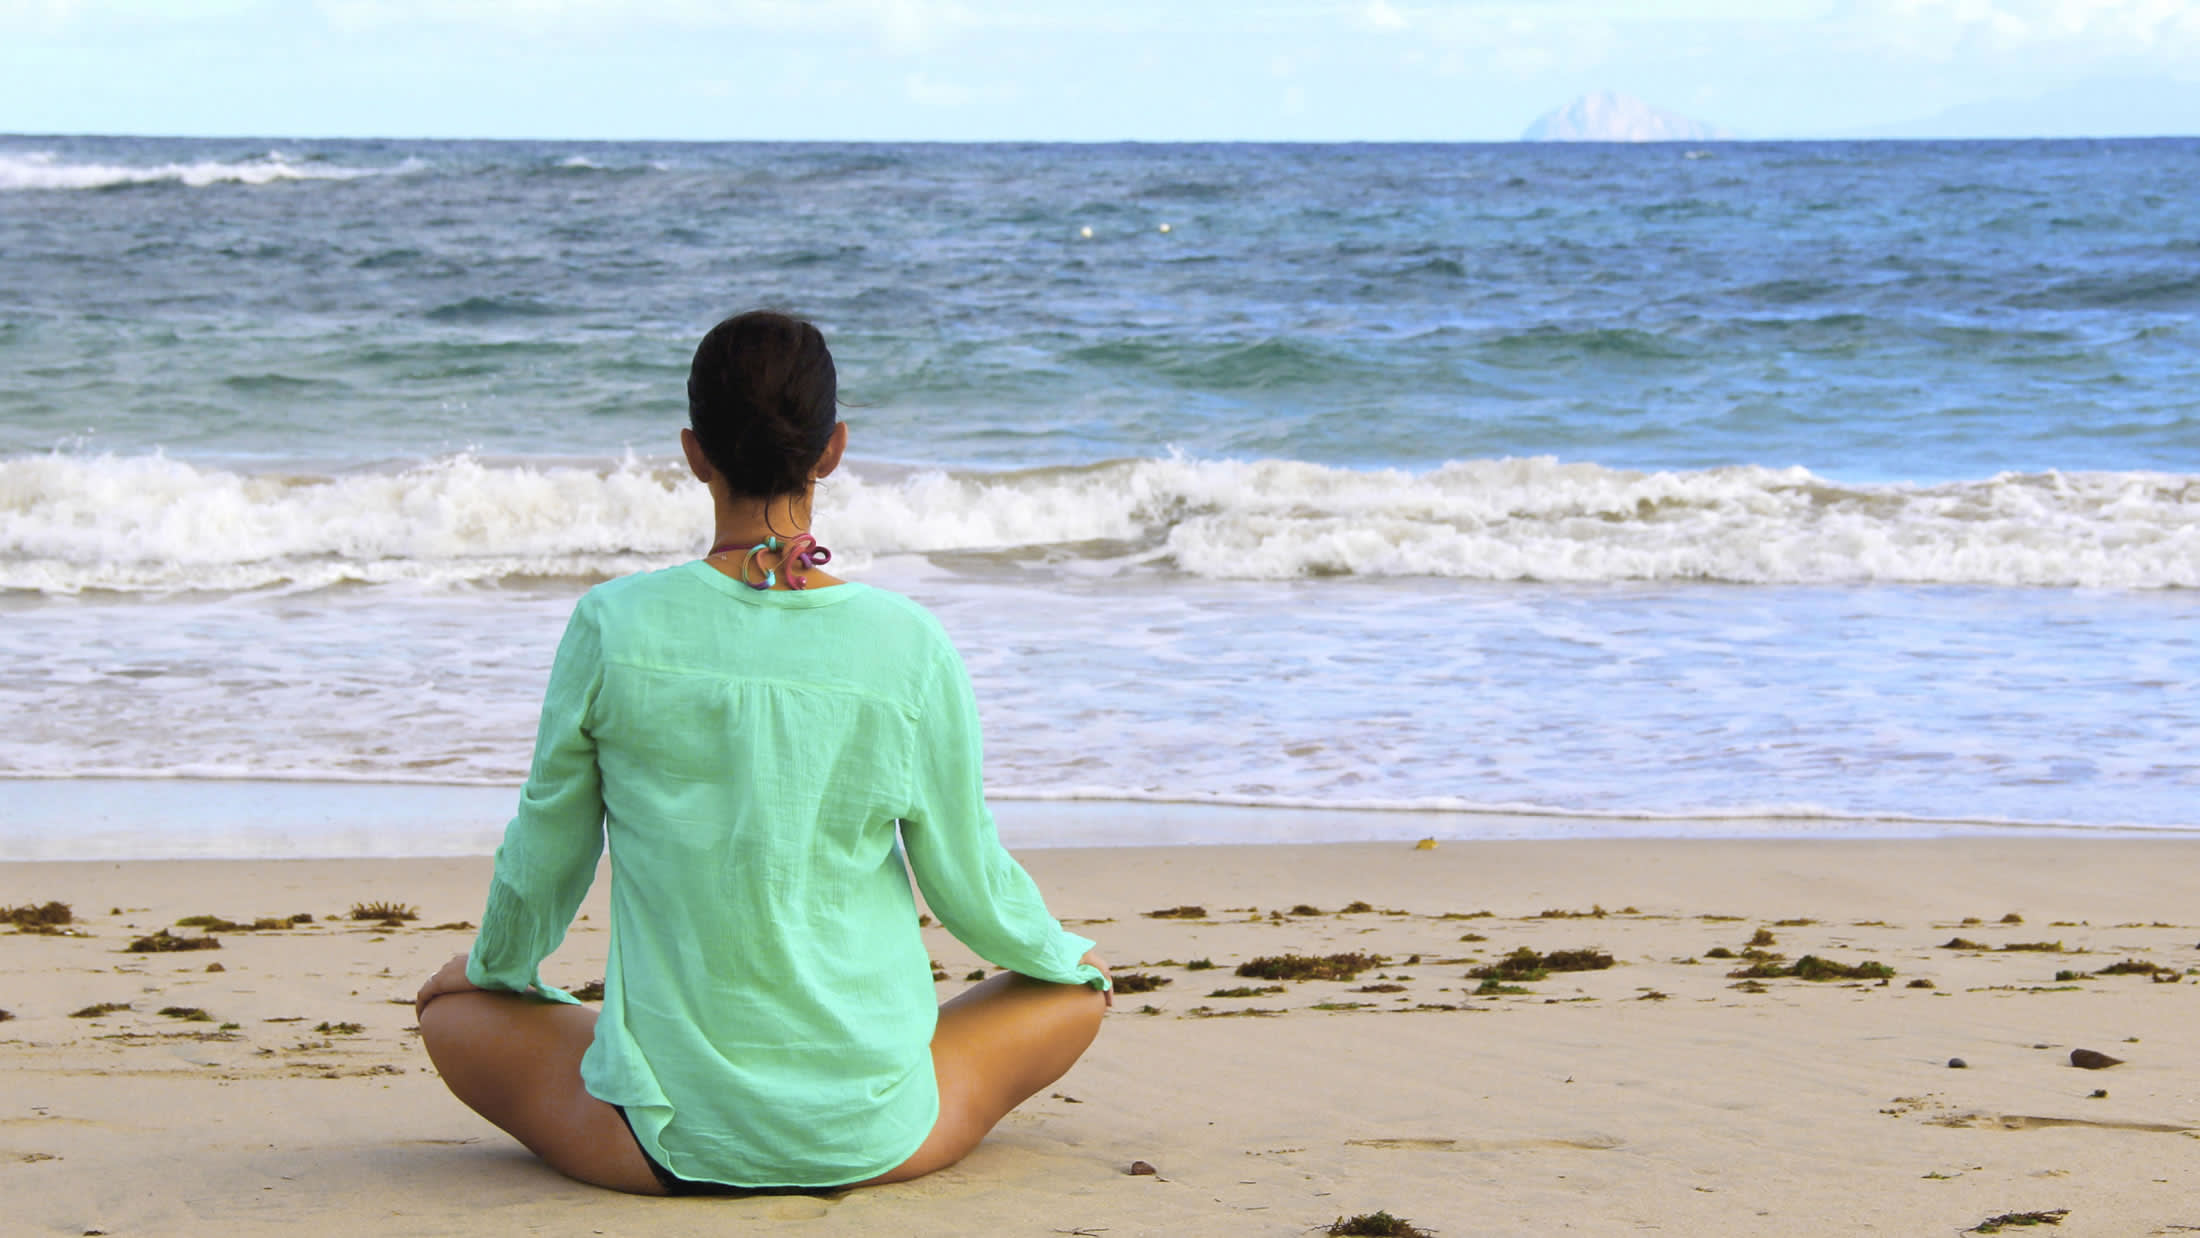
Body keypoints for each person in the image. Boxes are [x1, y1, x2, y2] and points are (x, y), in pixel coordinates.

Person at [415, 310, 1110, 1195]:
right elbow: (968, 882)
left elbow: (546, 854)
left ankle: (669, 1064)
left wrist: (494, 975)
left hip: (662, 1142)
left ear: (694, 451)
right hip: (878, 1129)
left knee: (451, 1014)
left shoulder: (612, 626)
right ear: (833, 450)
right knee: (1074, 994)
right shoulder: (908, 644)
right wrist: (1056, 953)